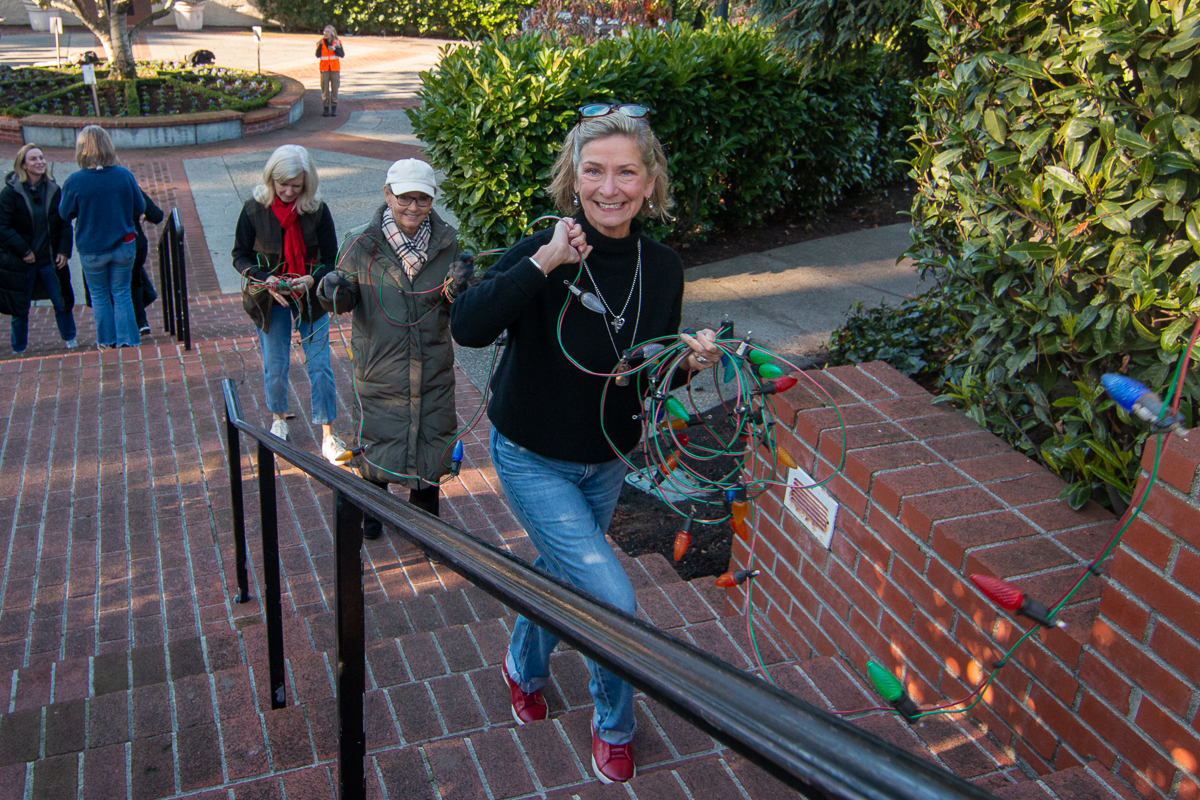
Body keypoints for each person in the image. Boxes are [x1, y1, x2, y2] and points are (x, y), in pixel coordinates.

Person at [450, 103, 722, 785]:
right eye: (594, 171)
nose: (609, 188)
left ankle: (522, 667)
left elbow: (647, 372)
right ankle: (614, 726)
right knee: (611, 600)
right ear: (573, 178)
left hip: (606, 460)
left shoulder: (662, 267)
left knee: (562, 570)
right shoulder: (544, 248)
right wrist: (545, 262)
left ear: (650, 181)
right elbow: (468, 327)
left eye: (626, 172)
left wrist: (689, 363)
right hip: (531, 455)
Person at [318, 159, 467, 540]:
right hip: (379, 369)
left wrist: (462, 287)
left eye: (422, 199)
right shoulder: (359, 242)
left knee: (431, 449)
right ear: (387, 195)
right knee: (376, 447)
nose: (413, 207)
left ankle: (426, 531)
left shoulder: (449, 243)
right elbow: (340, 301)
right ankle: (372, 518)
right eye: (404, 198)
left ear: (433, 199)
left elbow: (454, 305)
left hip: (433, 368)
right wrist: (331, 289)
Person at [232, 144, 348, 464]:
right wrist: (264, 278)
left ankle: (328, 434)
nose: (288, 191)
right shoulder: (254, 209)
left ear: (307, 184)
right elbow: (239, 256)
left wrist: (312, 279)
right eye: (282, 184)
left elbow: (332, 260)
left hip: (310, 294)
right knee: (276, 363)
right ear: (271, 178)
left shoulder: (317, 210)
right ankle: (278, 418)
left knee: (320, 364)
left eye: (296, 186)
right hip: (270, 298)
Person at [59, 125, 144, 349]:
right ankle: (128, 339)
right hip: (124, 244)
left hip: (92, 248)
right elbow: (140, 206)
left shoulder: (74, 181)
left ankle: (106, 341)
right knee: (122, 292)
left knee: (99, 295)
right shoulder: (123, 175)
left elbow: (64, 213)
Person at [0, 144, 77, 352]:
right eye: (33, 159)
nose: (40, 162)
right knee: (20, 307)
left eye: (41, 158)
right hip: (21, 261)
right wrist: (24, 251)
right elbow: (3, 227)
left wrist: (64, 250)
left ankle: (70, 338)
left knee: (61, 301)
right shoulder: (10, 194)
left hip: (50, 259)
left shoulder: (54, 190)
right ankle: (19, 347)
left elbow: (64, 223)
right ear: (23, 165)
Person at [131, 189, 163, 336]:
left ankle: (113, 331)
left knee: (105, 291)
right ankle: (140, 321)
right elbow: (155, 214)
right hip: (134, 243)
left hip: (99, 246)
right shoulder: (126, 181)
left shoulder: (83, 182)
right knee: (134, 281)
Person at [316, 25, 344, 117]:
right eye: (324, 31)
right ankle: (326, 108)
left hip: (334, 68)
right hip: (324, 68)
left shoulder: (337, 42)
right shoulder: (320, 42)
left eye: (327, 32)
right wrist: (320, 46)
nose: (325, 33)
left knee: (335, 88)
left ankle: (334, 107)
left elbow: (342, 54)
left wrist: (335, 49)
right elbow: (318, 55)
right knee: (325, 88)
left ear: (332, 33)